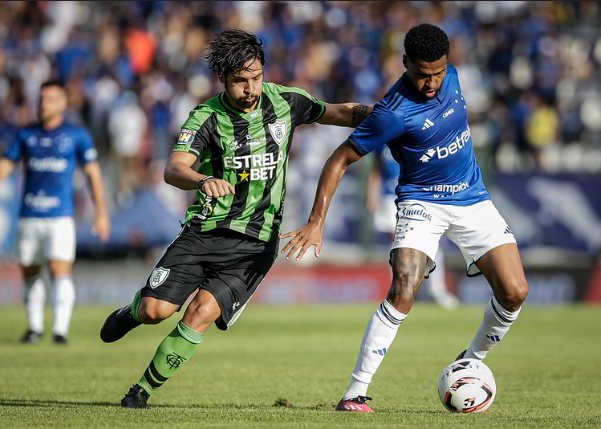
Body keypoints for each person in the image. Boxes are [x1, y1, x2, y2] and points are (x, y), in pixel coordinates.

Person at [99, 28, 372, 409]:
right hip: (204, 233)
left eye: (256, 77)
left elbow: (338, 111)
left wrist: (388, 115)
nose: (250, 88)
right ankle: (133, 311)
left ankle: (140, 391)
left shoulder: (287, 101)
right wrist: (203, 179)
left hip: (256, 245)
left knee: (201, 313)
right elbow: (174, 169)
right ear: (223, 80)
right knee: (154, 311)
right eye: (240, 81)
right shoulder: (206, 117)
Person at [280, 23, 528, 412]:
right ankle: (354, 394)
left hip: (473, 198)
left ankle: (470, 362)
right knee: (404, 290)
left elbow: (363, 112)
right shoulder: (393, 112)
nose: (431, 83)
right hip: (421, 204)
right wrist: (316, 220)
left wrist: (336, 112)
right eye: (422, 74)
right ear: (405, 63)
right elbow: (339, 159)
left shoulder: (456, 78)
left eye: (438, 73)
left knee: (515, 292)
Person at [0, 79, 111, 345]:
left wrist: (101, 211)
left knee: (59, 270)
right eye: (41, 100)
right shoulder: (26, 134)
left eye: (50, 99)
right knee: (30, 272)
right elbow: (8, 161)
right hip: (29, 214)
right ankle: (34, 328)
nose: (44, 105)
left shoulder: (77, 135)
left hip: (60, 216)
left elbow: (93, 173)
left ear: (63, 103)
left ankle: (60, 331)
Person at [366, 145, 459, 310]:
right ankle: (398, 291)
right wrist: (371, 193)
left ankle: (437, 290)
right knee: (397, 244)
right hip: (390, 196)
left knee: (430, 239)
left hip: (416, 196)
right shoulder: (383, 140)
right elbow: (376, 169)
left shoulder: (416, 134)